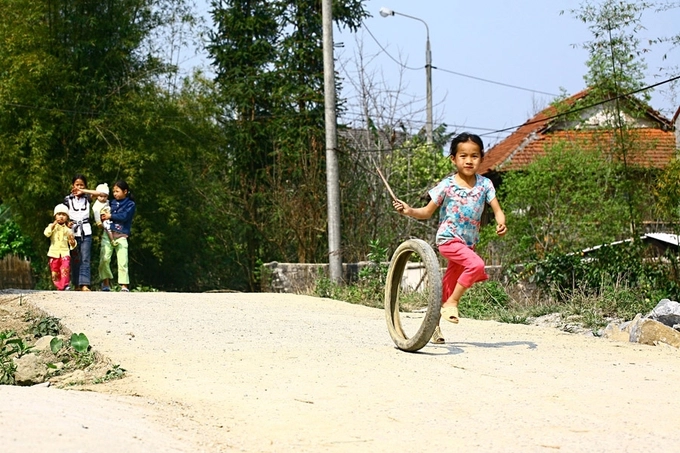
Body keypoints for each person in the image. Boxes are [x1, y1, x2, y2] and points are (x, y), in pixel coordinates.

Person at [392, 132, 507, 344]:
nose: (469, 160)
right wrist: (408, 210)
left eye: (474, 156)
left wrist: (501, 222)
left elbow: (497, 209)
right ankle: (452, 303)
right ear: (453, 159)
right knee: (477, 265)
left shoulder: (485, 185)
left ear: (481, 157)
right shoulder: (446, 185)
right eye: (463, 156)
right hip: (448, 239)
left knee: (448, 284)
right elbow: (426, 212)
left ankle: (433, 326)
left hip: (468, 244)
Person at [64, 174, 106, 291]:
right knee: (75, 258)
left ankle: (85, 284)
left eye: (81, 185)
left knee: (85, 258)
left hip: (86, 230)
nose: (79, 187)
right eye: (77, 185)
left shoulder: (87, 198)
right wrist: (67, 223)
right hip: (73, 232)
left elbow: (102, 194)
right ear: (72, 185)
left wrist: (83, 191)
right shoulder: (68, 199)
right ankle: (76, 284)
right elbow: (63, 214)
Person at [99, 180, 136, 292]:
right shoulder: (110, 203)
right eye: (113, 191)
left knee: (123, 261)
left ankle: (124, 285)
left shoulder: (130, 204)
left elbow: (124, 216)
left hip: (121, 235)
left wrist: (110, 216)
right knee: (104, 259)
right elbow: (99, 200)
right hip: (108, 234)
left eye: (117, 191)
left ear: (125, 191)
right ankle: (105, 283)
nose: (115, 194)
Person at [44, 204, 77, 291]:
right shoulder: (52, 226)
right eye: (59, 214)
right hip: (53, 253)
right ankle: (59, 286)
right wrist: (53, 225)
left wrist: (73, 242)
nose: (61, 217)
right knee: (55, 271)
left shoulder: (68, 229)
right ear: (55, 216)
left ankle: (65, 285)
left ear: (67, 217)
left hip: (64, 252)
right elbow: (46, 233)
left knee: (65, 267)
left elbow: (72, 242)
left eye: (64, 214)